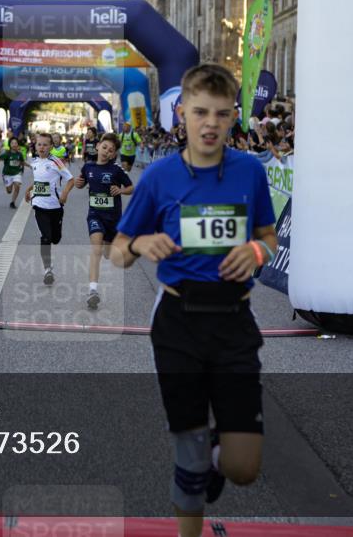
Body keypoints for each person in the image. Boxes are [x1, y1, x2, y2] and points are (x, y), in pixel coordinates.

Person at [111, 64, 278, 537]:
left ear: (233, 118)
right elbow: (118, 252)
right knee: (188, 457)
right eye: (200, 112)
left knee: (244, 469)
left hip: (233, 321)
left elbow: (269, 237)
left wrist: (256, 251)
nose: (210, 124)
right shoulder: (159, 176)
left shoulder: (249, 171)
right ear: (181, 113)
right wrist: (141, 243)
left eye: (221, 114)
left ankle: (216, 458)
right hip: (178, 322)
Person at [74, 133, 133, 309]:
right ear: (98, 146)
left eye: (111, 150)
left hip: (113, 219)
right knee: (96, 249)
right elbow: (81, 183)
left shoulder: (116, 170)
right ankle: (93, 290)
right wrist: (78, 183)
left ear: (114, 154)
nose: (107, 151)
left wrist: (121, 191)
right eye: (105, 147)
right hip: (95, 215)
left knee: (107, 253)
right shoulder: (88, 167)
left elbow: (131, 187)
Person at [25, 133, 75, 285]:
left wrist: (65, 193)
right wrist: (29, 189)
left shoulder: (56, 162)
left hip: (55, 206)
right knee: (45, 237)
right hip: (39, 205)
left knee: (55, 239)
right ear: (35, 146)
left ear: (51, 147)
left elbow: (71, 180)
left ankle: (49, 262)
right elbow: (39, 180)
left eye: (45, 145)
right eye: (39, 144)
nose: (41, 147)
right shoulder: (34, 162)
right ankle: (48, 269)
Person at [0, 137, 26, 209]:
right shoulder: (7, 154)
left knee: (17, 185)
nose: (14, 144)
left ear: (18, 144)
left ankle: (12, 202)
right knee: (9, 191)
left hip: (17, 173)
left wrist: (25, 167)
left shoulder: (19, 154)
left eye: (15, 143)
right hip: (7, 174)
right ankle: (8, 183)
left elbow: (22, 162)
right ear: (10, 145)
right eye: (12, 143)